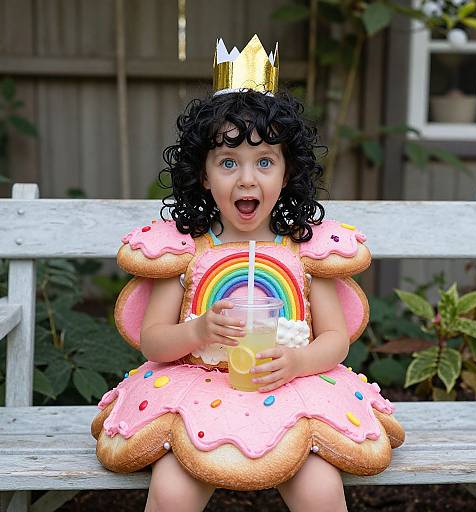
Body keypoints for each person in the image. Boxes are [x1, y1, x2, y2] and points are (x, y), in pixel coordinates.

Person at [139, 87, 350, 512]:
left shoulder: (303, 250)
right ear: (203, 174)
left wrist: (298, 362)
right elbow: (152, 342)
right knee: (171, 493)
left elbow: (336, 339)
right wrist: (197, 330)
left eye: (265, 162)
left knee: (321, 491)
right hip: (196, 394)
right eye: (228, 162)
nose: (247, 179)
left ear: (288, 173)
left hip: (291, 391)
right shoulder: (188, 251)